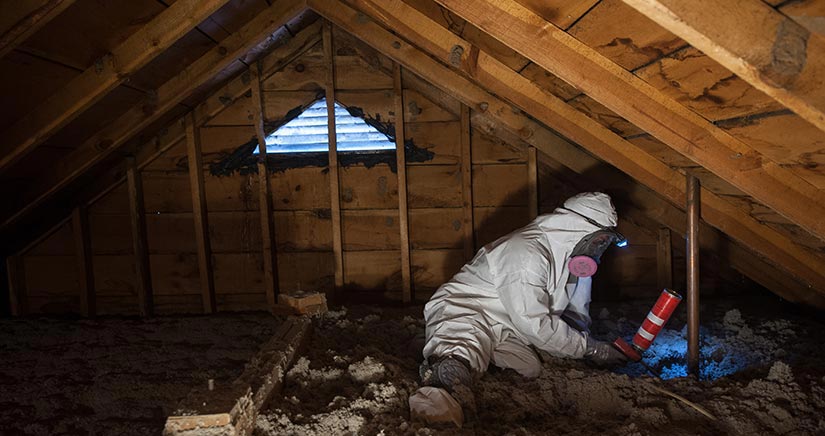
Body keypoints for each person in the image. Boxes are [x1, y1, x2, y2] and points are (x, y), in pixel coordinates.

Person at [410, 192, 628, 424]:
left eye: (605, 241)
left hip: (506, 325)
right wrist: (591, 349)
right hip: (467, 309)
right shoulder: (526, 252)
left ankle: (476, 357)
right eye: (601, 240)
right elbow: (533, 322)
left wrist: (583, 342)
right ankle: (436, 408)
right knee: (455, 367)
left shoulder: (572, 256)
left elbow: (576, 310)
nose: (601, 248)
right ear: (578, 229)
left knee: (529, 367)